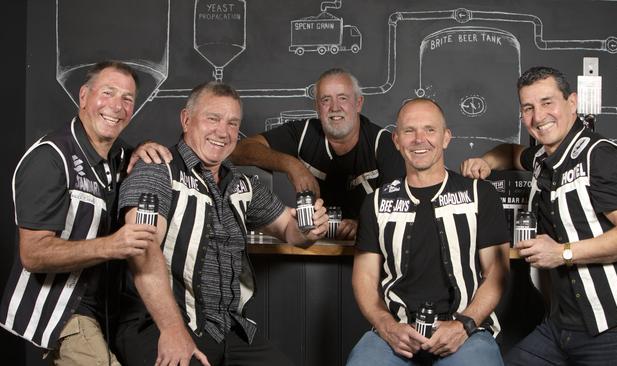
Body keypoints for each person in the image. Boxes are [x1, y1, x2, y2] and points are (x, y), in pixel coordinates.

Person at [115, 81, 329, 366]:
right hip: (158, 324)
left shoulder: (242, 184)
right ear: (186, 120)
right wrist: (172, 329)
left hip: (225, 330)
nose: (223, 132)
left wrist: (309, 230)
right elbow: (142, 251)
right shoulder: (157, 169)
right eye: (212, 118)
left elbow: (289, 231)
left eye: (232, 123)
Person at [461, 66, 617, 364]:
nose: (538, 117)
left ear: (572, 103)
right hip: (562, 328)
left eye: (548, 103)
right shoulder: (543, 158)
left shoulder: (600, 156)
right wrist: (485, 161)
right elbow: (511, 152)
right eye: (528, 108)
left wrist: (562, 253)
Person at [0, 61, 171, 365]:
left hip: (111, 311)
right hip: (64, 311)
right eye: (108, 93)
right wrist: (114, 245)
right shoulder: (50, 158)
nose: (117, 107)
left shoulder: (120, 157)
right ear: (83, 97)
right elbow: (33, 253)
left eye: (127, 99)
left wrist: (143, 148)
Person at [347, 98, 510, 366]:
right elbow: (364, 277)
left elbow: (497, 272)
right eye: (409, 131)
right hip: (396, 332)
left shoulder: (480, 194)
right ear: (397, 140)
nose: (419, 139)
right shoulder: (376, 202)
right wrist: (387, 326)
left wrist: (464, 325)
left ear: (446, 138)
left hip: (467, 331)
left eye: (430, 130)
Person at [231, 68, 405, 239]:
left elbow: (399, 208)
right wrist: (292, 165)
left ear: (358, 103)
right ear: (317, 106)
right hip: (312, 249)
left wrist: (363, 224)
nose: (334, 107)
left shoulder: (382, 143)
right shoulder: (304, 132)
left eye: (343, 98)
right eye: (325, 100)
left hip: (368, 251)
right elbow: (239, 150)